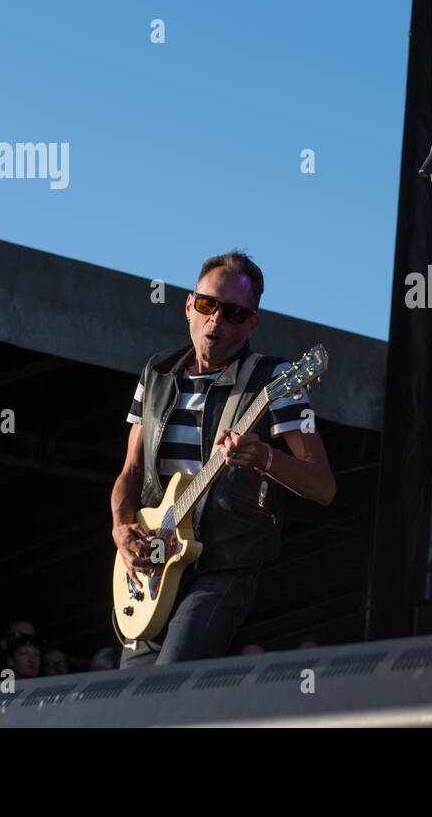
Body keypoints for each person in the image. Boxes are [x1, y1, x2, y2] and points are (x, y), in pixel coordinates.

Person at [111, 251, 336, 667]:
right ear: (188, 305)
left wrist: (265, 458)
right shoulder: (156, 373)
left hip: (223, 569)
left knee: (168, 689)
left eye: (233, 313)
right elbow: (131, 471)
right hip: (153, 568)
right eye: (207, 305)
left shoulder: (275, 379)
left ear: (252, 323)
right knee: (128, 703)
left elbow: (323, 486)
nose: (216, 319)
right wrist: (121, 528)